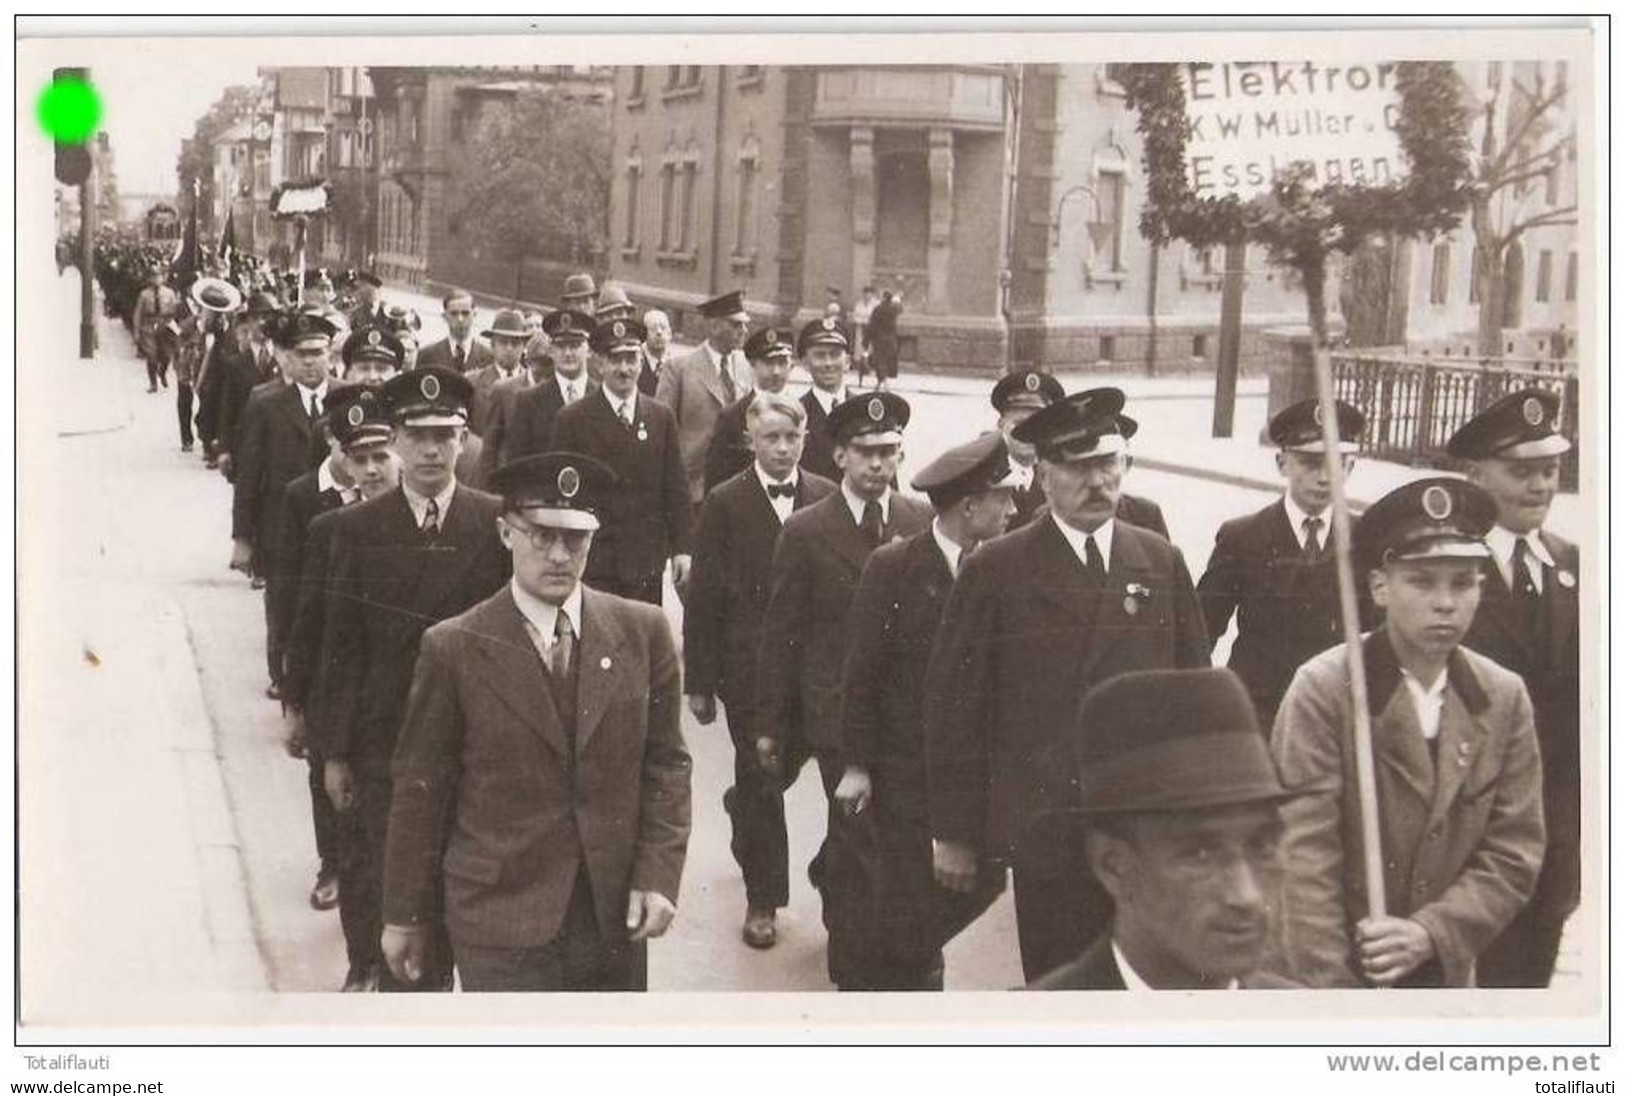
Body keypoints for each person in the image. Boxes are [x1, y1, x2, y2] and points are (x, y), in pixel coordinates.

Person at [924, 387, 1209, 982]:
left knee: (1146, 991)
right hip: (1049, 832)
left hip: (1142, 829)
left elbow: (1194, 700)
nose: (1098, 481)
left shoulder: (1159, 561)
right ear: (1044, 474)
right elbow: (955, 709)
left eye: (1109, 463)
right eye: (1079, 467)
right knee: (1061, 989)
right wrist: (954, 832)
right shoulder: (997, 569)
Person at [380, 453, 691, 992]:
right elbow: (421, 788)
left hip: (610, 913)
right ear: (506, 533)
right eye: (541, 536)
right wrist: (404, 914)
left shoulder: (643, 632)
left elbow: (666, 766)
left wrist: (658, 877)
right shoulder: (455, 646)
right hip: (499, 918)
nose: (558, 556)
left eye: (576, 540)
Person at [1271, 477, 1545, 988]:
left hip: (1441, 972)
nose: (1446, 602)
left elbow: (1514, 852)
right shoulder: (1327, 689)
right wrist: (1337, 995)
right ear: (1380, 588)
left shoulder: (1502, 696)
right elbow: (1301, 857)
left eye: (1463, 582)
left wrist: (1430, 933)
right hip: (1328, 975)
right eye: (1422, 582)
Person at [316, 366, 511, 992]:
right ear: (396, 440)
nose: (431, 450)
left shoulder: (495, 523)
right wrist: (335, 752)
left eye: (446, 435)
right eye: (417, 435)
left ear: (464, 439)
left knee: (465, 885)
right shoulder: (356, 530)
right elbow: (338, 649)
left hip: (471, 742)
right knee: (387, 874)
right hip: (385, 741)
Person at [830, 432, 1018, 990]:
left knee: (980, 884)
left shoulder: (1007, 566)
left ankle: (909, 955)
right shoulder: (896, 566)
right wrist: (858, 764)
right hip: (906, 769)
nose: (1013, 509)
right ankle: (900, 982)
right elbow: (860, 672)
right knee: (910, 895)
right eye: (1003, 498)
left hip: (978, 770)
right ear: (969, 506)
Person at [755, 392, 932, 980]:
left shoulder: (918, 521)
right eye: (865, 452)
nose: (878, 464)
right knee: (859, 833)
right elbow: (782, 633)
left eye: (888, 451)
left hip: (904, 714)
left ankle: (853, 900)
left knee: (886, 832)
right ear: (839, 456)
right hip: (834, 713)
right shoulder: (808, 531)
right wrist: (770, 725)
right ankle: (850, 959)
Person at [1026, 669, 1301, 990]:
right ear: (1114, 867)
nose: (1246, 896)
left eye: (1261, 847)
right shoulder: (1029, 1033)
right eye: (1200, 854)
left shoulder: (1313, 1028)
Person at [684, 391, 837, 949]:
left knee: (812, 777)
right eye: (769, 438)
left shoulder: (826, 497)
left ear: (804, 440)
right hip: (747, 673)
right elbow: (703, 596)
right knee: (762, 779)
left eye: (790, 438)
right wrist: (699, 682)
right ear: (751, 441)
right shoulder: (726, 503)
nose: (781, 448)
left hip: (815, 672)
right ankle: (763, 900)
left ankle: (751, 813)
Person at [1446, 388, 1579, 988]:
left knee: (1526, 988)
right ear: (1474, 474)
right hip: (1459, 838)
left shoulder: (1575, 567)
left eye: (1550, 470)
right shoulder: (1447, 572)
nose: (1541, 486)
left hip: (1547, 839)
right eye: (1522, 471)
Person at [274, 385, 396, 921]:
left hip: (391, 694)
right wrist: (294, 699)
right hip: (333, 681)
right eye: (359, 457)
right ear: (341, 456)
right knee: (331, 786)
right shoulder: (323, 521)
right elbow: (300, 617)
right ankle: (333, 869)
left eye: (380, 457)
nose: (370, 470)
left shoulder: (417, 524)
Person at [1197, 398, 1368, 728]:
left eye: (1335, 462)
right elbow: (1201, 631)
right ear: (1282, 463)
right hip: (1257, 714)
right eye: (1309, 462)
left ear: (1350, 467)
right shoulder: (1242, 537)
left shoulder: (1367, 539)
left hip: (1337, 714)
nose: (1323, 477)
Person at [230, 310, 338, 699]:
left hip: (335, 522)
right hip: (279, 527)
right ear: (288, 358)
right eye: (302, 353)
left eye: (318, 352)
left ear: (331, 355)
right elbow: (248, 477)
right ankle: (282, 676)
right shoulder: (266, 402)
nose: (311, 361)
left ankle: (316, 677)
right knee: (282, 603)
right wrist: (243, 537)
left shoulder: (346, 402)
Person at [551, 319, 692, 606]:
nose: (624, 369)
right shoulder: (573, 419)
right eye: (615, 360)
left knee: (642, 641)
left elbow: (676, 488)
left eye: (631, 359)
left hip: (646, 560)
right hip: (596, 559)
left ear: (642, 363)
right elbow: (561, 495)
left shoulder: (660, 417)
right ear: (600, 364)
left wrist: (683, 549)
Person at [656, 290, 755, 505]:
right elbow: (661, 429)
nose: (744, 331)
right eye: (736, 325)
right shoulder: (680, 369)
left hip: (739, 486)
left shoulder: (747, 367)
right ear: (714, 327)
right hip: (694, 487)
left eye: (744, 325)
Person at [703, 324, 796, 494]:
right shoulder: (733, 416)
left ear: (792, 366)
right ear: (753, 364)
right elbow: (716, 480)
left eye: (782, 363)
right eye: (768, 363)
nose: (776, 371)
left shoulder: (803, 414)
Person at [478, 331, 553, 484]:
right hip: (510, 478)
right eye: (540, 362)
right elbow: (490, 445)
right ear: (528, 361)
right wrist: (487, 484)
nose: (545, 369)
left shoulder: (557, 391)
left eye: (549, 363)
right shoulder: (504, 390)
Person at [797, 317, 857, 484]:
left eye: (835, 355)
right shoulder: (796, 413)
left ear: (847, 362)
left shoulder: (863, 409)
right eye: (819, 355)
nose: (828, 363)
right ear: (805, 364)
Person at [467, 308, 530, 436]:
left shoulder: (533, 384)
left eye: (515, 343)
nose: (509, 348)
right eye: (503, 342)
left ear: (524, 347)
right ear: (492, 345)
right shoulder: (474, 382)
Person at [416, 289, 492, 374]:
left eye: (465, 313)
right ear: (445, 317)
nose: (460, 319)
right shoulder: (427, 355)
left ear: (474, 315)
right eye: (454, 314)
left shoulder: (490, 357)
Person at [132, 266, 180, 393]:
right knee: (151, 356)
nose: (156, 279)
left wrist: (175, 329)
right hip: (149, 326)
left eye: (159, 276)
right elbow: (138, 313)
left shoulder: (169, 293)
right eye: (153, 277)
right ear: (150, 278)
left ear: (163, 278)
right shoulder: (144, 294)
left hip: (164, 325)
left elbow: (175, 312)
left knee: (166, 356)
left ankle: (162, 372)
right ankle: (153, 383)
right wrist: (136, 332)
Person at [866, 289, 902, 389]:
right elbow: (900, 310)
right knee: (886, 360)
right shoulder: (893, 310)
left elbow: (872, 325)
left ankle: (885, 382)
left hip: (879, 339)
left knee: (879, 361)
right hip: (891, 339)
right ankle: (879, 383)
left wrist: (866, 340)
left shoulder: (878, 309)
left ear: (883, 298)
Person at [640, 309, 673, 399]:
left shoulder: (677, 365)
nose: (659, 332)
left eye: (663, 328)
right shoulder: (636, 362)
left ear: (670, 334)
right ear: (644, 334)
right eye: (653, 328)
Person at [851, 285, 878, 386]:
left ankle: (870, 366)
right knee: (860, 348)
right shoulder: (859, 304)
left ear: (872, 294)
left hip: (872, 330)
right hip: (861, 328)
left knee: (870, 348)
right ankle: (861, 367)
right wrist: (862, 320)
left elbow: (875, 318)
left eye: (869, 293)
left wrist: (868, 320)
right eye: (866, 293)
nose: (867, 295)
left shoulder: (876, 304)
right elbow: (856, 316)